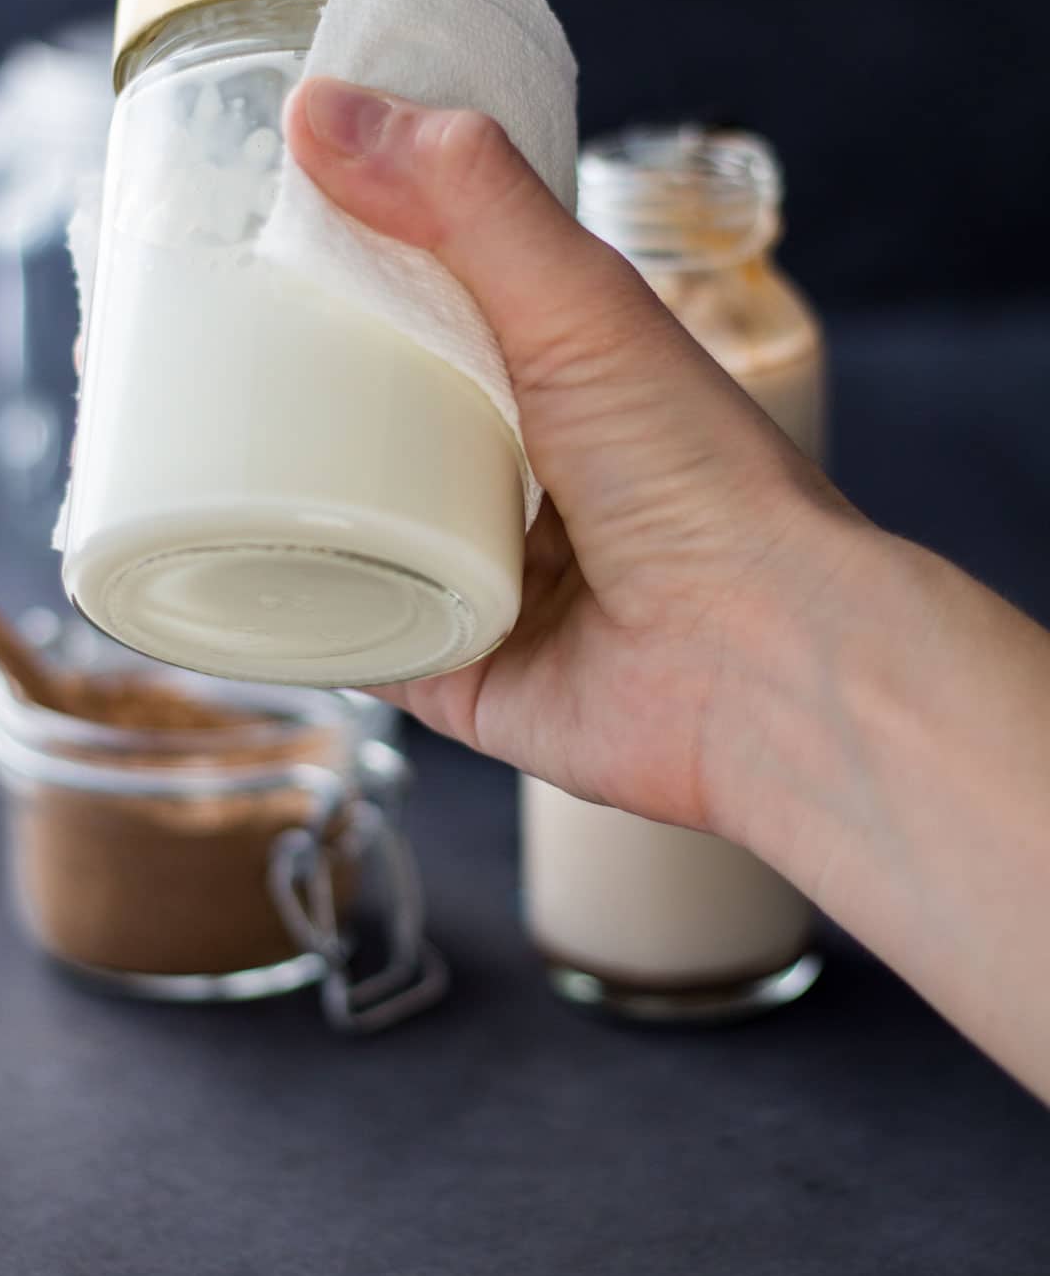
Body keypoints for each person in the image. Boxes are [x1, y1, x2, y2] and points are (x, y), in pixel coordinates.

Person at [285, 75, 1050, 1104]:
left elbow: (723, 580)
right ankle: (604, 937)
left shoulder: (764, 322)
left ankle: (747, 945)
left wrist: (753, 650)